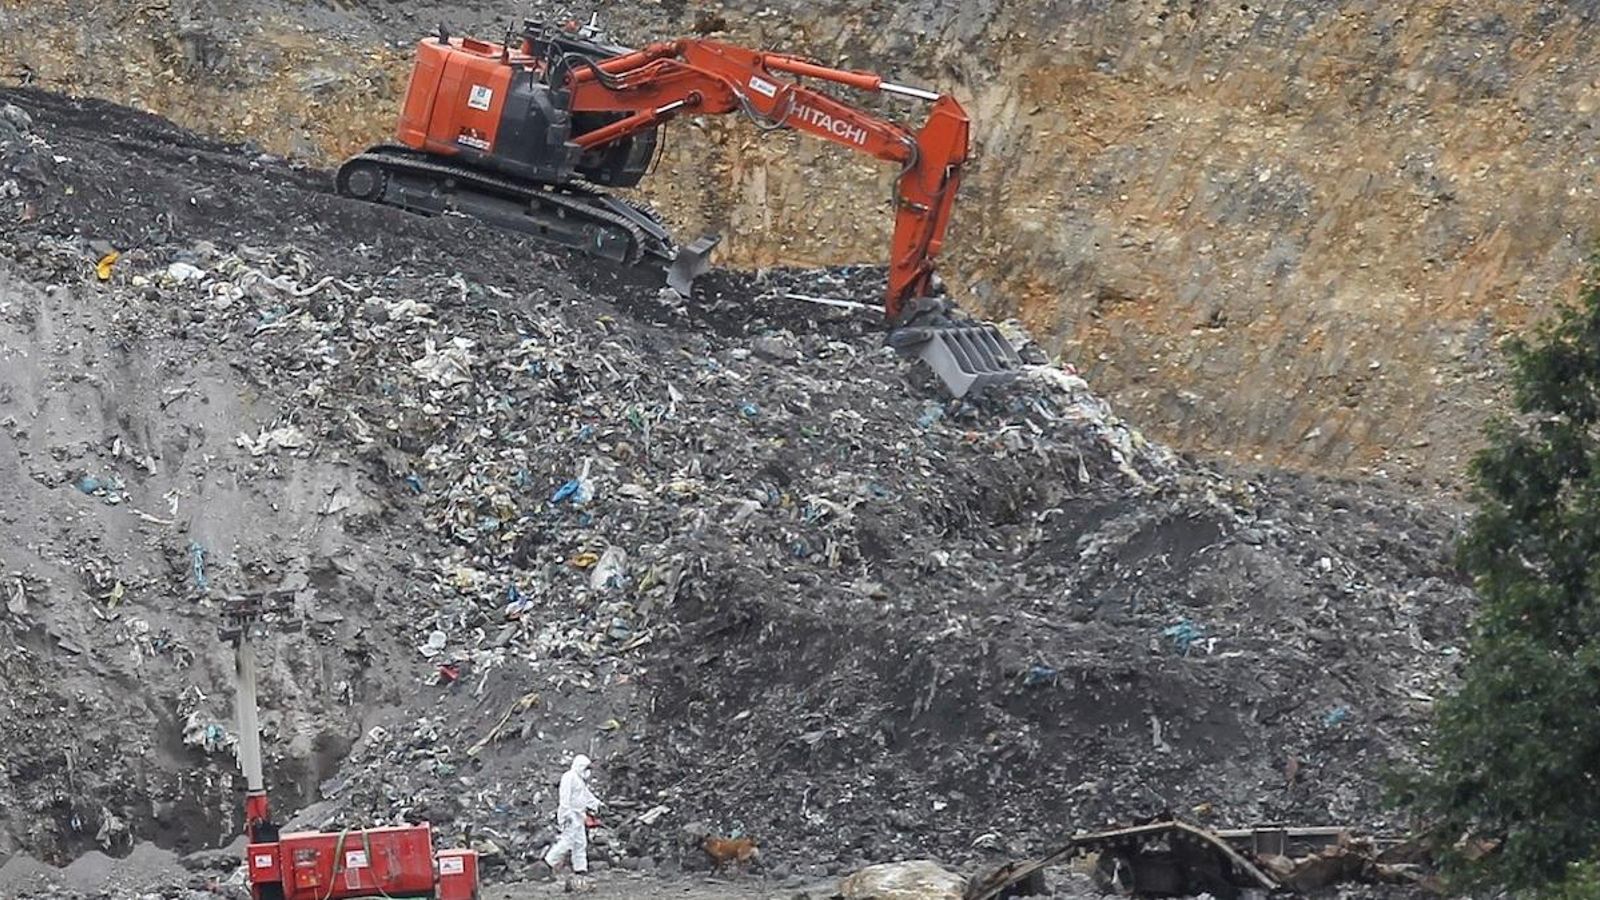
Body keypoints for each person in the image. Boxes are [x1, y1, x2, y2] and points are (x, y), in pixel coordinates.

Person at [543, 754, 602, 890]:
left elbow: (586, 796)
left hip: (579, 815)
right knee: (568, 841)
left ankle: (580, 869)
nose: (589, 771)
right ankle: (548, 863)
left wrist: (598, 804)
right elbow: (564, 798)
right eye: (587, 768)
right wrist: (567, 813)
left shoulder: (580, 780)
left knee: (580, 843)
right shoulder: (569, 777)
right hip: (569, 815)